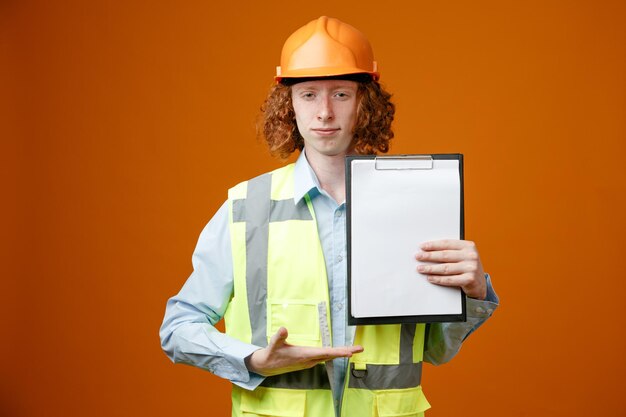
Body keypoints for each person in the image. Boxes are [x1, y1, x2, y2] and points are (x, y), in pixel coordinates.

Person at [160, 16, 499, 417]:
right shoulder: (244, 208)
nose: (324, 112)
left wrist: (474, 294)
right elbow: (178, 328)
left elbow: (436, 351)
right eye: (308, 95)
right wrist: (252, 359)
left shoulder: (414, 202)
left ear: (364, 103)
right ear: (288, 105)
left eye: (340, 94)